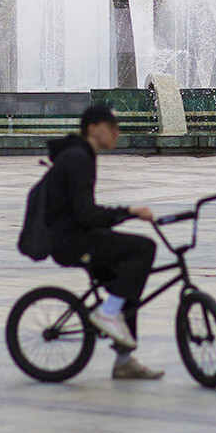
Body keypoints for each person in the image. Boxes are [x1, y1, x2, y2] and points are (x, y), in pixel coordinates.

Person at [46, 105, 164, 380]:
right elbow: (85, 213)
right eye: (111, 128)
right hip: (72, 242)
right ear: (93, 129)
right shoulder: (78, 158)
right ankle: (107, 314)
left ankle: (124, 361)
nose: (116, 134)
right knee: (144, 248)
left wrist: (124, 214)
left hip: (78, 236)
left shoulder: (82, 155)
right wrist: (129, 212)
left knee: (126, 289)